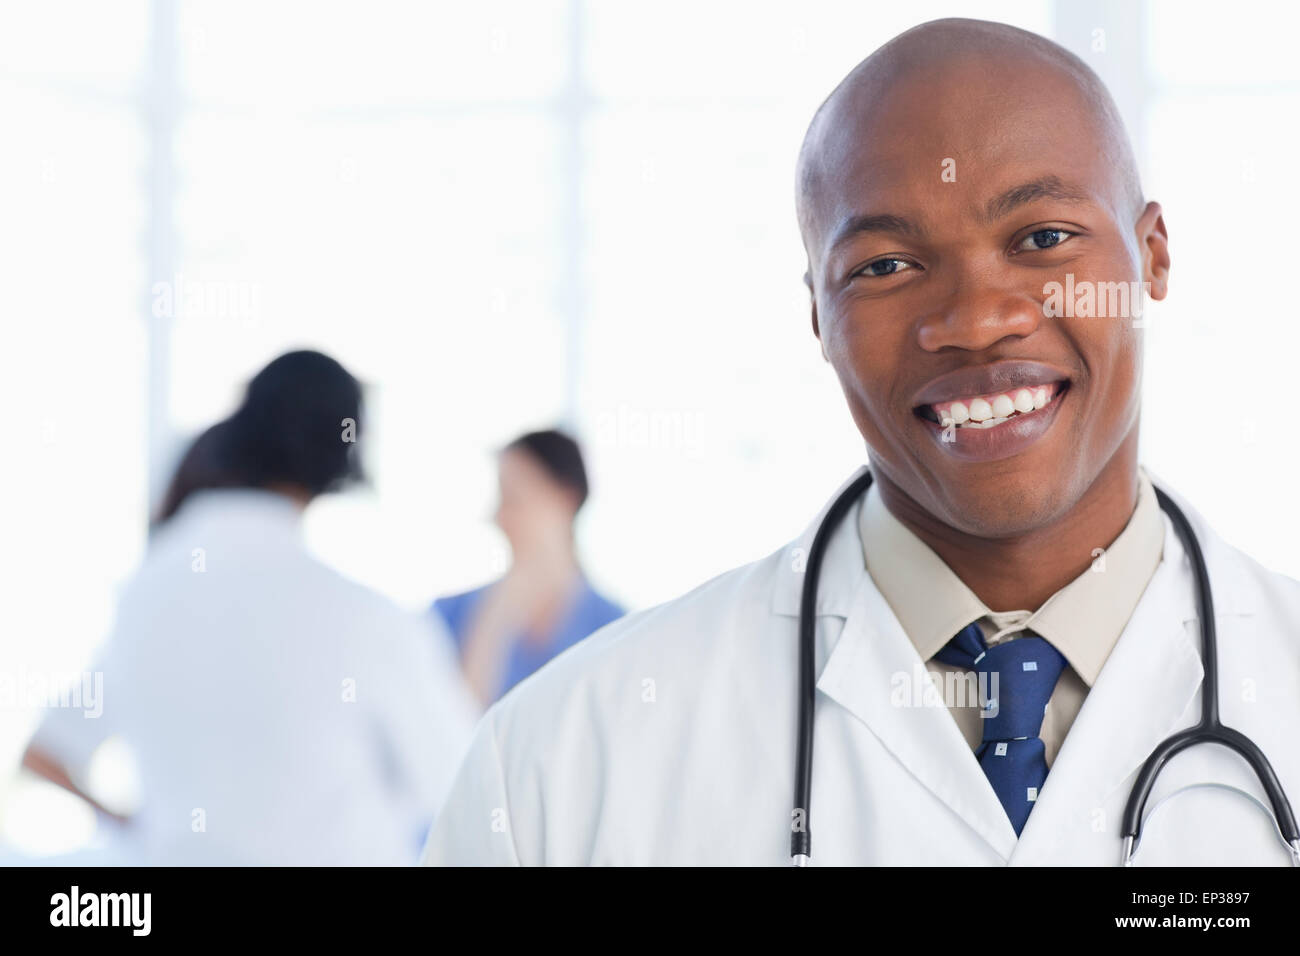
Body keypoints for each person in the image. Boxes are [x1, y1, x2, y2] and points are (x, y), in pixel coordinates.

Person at [422, 19, 1300, 866]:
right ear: (818, 316)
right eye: (884, 267)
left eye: (1043, 239)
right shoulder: (559, 765)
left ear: (1152, 257)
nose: (976, 322)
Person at [22, 350, 478, 865]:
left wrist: (139, 830)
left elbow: (45, 751)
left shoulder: (145, 596)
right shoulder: (359, 615)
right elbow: (462, 781)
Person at [432, 430, 624, 706]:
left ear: (566, 498)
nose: (498, 517)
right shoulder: (447, 615)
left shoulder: (614, 627)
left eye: (513, 499)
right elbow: (441, 732)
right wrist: (492, 625)